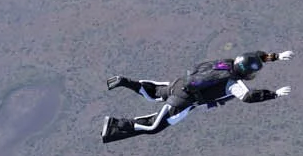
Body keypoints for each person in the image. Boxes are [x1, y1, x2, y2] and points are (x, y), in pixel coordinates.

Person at [103, 50, 289, 142]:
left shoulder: (227, 63)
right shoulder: (234, 83)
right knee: (154, 127)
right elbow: (248, 97)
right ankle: (116, 125)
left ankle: (125, 81)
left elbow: (252, 57)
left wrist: (276, 56)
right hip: (185, 101)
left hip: (179, 84)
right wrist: (274, 94)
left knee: (153, 93)